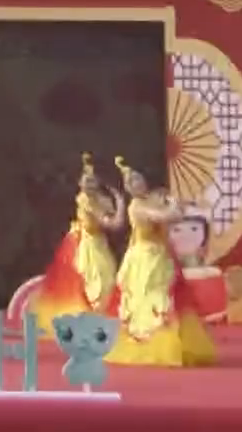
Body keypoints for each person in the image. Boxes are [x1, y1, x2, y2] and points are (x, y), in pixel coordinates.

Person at [103, 156, 216, 367]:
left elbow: (176, 214)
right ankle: (149, 343)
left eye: (138, 179)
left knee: (168, 298)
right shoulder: (136, 207)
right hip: (144, 260)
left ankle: (173, 341)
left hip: (161, 258)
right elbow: (166, 216)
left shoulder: (153, 201)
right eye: (131, 182)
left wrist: (177, 205)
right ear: (128, 189)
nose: (136, 184)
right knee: (150, 300)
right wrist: (173, 205)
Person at [28, 153, 123, 335]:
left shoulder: (102, 200)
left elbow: (113, 223)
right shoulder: (84, 200)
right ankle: (88, 320)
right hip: (86, 244)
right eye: (86, 181)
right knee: (93, 280)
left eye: (93, 181)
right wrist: (120, 202)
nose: (89, 185)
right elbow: (112, 224)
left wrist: (116, 202)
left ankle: (99, 320)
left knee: (106, 277)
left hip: (99, 243)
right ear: (80, 183)